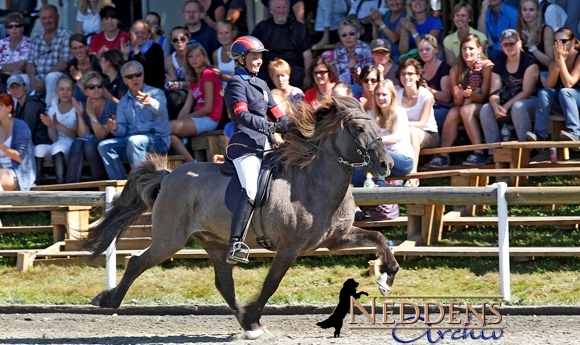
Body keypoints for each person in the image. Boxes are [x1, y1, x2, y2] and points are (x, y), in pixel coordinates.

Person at [223, 35, 291, 264]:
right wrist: (272, 127)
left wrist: (294, 125)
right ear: (241, 59)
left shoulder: (261, 84)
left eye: (260, 56)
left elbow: (276, 112)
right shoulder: (236, 84)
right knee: (251, 190)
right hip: (245, 145)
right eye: (254, 56)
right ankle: (235, 244)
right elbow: (242, 116)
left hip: (265, 145)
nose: (259, 60)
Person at [426, 34, 494, 168]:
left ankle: (478, 152)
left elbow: (485, 96)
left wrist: (471, 95)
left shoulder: (487, 66)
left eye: (471, 49)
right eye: (464, 49)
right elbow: (457, 102)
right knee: (453, 113)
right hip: (465, 104)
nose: (467, 52)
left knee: (465, 110)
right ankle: (443, 155)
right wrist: (459, 96)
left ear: (479, 49)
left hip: (484, 105)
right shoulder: (455, 70)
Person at [97, 61, 170, 180]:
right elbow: (122, 131)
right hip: (132, 142)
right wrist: (115, 128)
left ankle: (139, 183)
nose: (135, 78)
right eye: (130, 77)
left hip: (158, 140)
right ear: (125, 80)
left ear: (143, 75)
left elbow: (160, 110)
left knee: (134, 141)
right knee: (104, 146)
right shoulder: (123, 102)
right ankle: (121, 183)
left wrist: (150, 102)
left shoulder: (156, 93)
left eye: (138, 74)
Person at [480, 29, 541, 148]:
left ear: (520, 43)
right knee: (486, 109)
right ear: (501, 46)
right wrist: (496, 106)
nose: (509, 47)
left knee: (518, 107)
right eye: (505, 44)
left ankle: (526, 149)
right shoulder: (498, 63)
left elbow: (526, 92)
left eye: (512, 43)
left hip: (531, 102)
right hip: (506, 103)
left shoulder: (529, 62)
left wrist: (505, 107)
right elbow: (494, 92)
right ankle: (494, 151)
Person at [527, 28, 580, 154]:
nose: (559, 46)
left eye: (563, 41)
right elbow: (550, 84)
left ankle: (575, 133)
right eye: (556, 42)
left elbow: (569, 83)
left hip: (576, 98)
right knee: (544, 92)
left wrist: (561, 61)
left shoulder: (578, 56)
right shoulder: (555, 60)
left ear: (572, 42)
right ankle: (539, 134)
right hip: (565, 103)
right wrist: (557, 62)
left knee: (565, 91)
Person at [169, 43, 223, 162]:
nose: (194, 59)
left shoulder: (208, 74)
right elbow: (186, 107)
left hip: (210, 118)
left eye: (197, 56)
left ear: (204, 57)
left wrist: (186, 119)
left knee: (167, 127)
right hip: (197, 118)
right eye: (191, 56)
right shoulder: (194, 80)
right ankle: (192, 162)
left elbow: (208, 108)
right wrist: (180, 121)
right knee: (170, 136)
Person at [65, 71, 115, 183]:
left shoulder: (110, 105)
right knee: (78, 142)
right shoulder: (82, 106)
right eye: (91, 87)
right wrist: (80, 115)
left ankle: (101, 182)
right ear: (85, 91)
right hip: (91, 141)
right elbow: (83, 135)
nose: (96, 89)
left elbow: (101, 135)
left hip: (107, 140)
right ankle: (71, 185)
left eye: (99, 86)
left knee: (89, 144)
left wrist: (92, 115)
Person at [396, 58, 438, 187]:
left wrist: (402, 126)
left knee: (412, 131)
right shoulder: (396, 94)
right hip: (403, 135)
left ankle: (413, 176)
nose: (406, 77)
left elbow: (421, 123)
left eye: (410, 74)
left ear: (417, 76)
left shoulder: (426, 95)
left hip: (428, 134)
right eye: (403, 74)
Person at [252, 0, 312, 89]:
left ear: (288, 9)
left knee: (298, 76)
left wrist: (308, 77)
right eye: (278, 8)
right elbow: (252, 50)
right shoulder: (262, 28)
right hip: (268, 68)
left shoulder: (300, 28)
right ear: (271, 10)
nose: (281, 11)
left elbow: (307, 54)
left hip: (292, 69)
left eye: (284, 7)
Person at [25, 4, 72, 107]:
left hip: (58, 76)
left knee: (51, 78)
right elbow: (30, 62)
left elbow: (64, 63)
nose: (47, 21)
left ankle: (49, 112)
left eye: (50, 17)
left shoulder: (66, 35)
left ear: (58, 18)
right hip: (37, 77)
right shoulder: (37, 36)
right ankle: (13, 114)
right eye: (44, 18)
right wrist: (33, 79)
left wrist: (43, 79)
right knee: (18, 79)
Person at [35, 76, 78, 184]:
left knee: (57, 148)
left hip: (71, 145)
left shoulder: (75, 108)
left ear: (73, 91)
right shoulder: (52, 109)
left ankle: (61, 186)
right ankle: (36, 185)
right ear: (57, 91)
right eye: (62, 89)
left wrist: (57, 124)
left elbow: (75, 135)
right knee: (39, 148)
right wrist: (49, 126)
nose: (65, 92)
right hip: (57, 144)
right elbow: (54, 138)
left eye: (68, 89)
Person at [371, 79, 414, 177]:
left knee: (375, 153)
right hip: (383, 160)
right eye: (378, 94)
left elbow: (395, 137)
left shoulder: (399, 112)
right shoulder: (372, 115)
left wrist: (373, 141)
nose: (380, 98)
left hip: (403, 160)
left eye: (384, 94)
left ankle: (378, 184)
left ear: (392, 96)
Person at [0, 93, 36, 192]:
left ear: (9, 108)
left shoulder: (20, 126)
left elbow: (20, 157)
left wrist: (1, 146)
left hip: (19, 173)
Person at [419, 34, 452, 133]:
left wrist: (428, 90)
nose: (424, 52)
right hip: (421, 106)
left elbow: (446, 97)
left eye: (427, 49)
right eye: (421, 50)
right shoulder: (417, 67)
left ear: (436, 50)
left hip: (440, 107)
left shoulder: (444, 68)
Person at [7, 75, 50, 147]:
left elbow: (27, 131)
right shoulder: (19, 105)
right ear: (10, 91)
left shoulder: (31, 104)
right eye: (12, 87)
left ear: (25, 87)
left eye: (18, 86)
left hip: (39, 145)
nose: (15, 90)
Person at [121, 20, 165, 90]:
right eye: (136, 33)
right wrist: (125, 56)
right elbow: (125, 75)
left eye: (143, 33)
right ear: (131, 35)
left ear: (149, 35)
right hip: (133, 91)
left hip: (153, 90)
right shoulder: (129, 50)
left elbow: (147, 71)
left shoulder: (155, 48)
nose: (139, 35)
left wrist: (137, 50)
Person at [443, 2, 488, 67]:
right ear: (453, 18)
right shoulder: (448, 40)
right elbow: (452, 66)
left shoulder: (481, 37)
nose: (460, 18)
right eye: (457, 15)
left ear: (469, 18)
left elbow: (475, 62)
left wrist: (466, 40)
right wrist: (464, 44)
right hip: (457, 74)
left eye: (463, 15)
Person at [517, 0, 554, 77]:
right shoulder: (519, 31)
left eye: (531, 10)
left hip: (543, 72)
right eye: (524, 10)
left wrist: (532, 47)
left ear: (537, 11)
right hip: (525, 73)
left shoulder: (547, 30)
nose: (527, 13)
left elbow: (550, 63)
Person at [333, 20, 373, 86]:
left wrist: (352, 70)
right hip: (343, 88)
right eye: (344, 35)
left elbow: (368, 79)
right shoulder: (338, 52)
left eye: (351, 34)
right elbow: (337, 77)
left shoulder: (367, 50)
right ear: (340, 38)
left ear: (358, 35)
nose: (348, 37)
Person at [65, 33, 102, 101]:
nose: (78, 51)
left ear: (87, 47)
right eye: (75, 48)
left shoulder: (96, 62)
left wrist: (80, 80)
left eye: (81, 47)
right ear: (71, 50)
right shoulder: (71, 65)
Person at [0, 12, 31, 92]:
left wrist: (2, 67)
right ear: (7, 30)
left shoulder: (28, 43)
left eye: (17, 26)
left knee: (15, 76)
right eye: (10, 26)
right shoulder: (1, 43)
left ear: (23, 28)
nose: (14, 28)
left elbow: (22, 65)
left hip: (18, 75)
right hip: (2, 76)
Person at [164, 26, 191, 120]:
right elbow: (174, 81)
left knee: (175, 97)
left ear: (188, 39)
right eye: (175, 40)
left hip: (194, 92)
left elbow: (197, 83)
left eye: (182, 39)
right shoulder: (169, 59)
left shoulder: (193, 56)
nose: (179, 42)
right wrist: (172, 83)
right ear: (171, 42)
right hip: (181, 92)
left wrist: (178, 84)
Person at [212, 20, 236, 90]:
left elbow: (245, 79)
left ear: (233, 33)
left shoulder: (241, 51)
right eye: (220, 33)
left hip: (239, 92)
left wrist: (223, 77)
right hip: (222, 93)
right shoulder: (216, 54)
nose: (223, 36)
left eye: (226, 33)